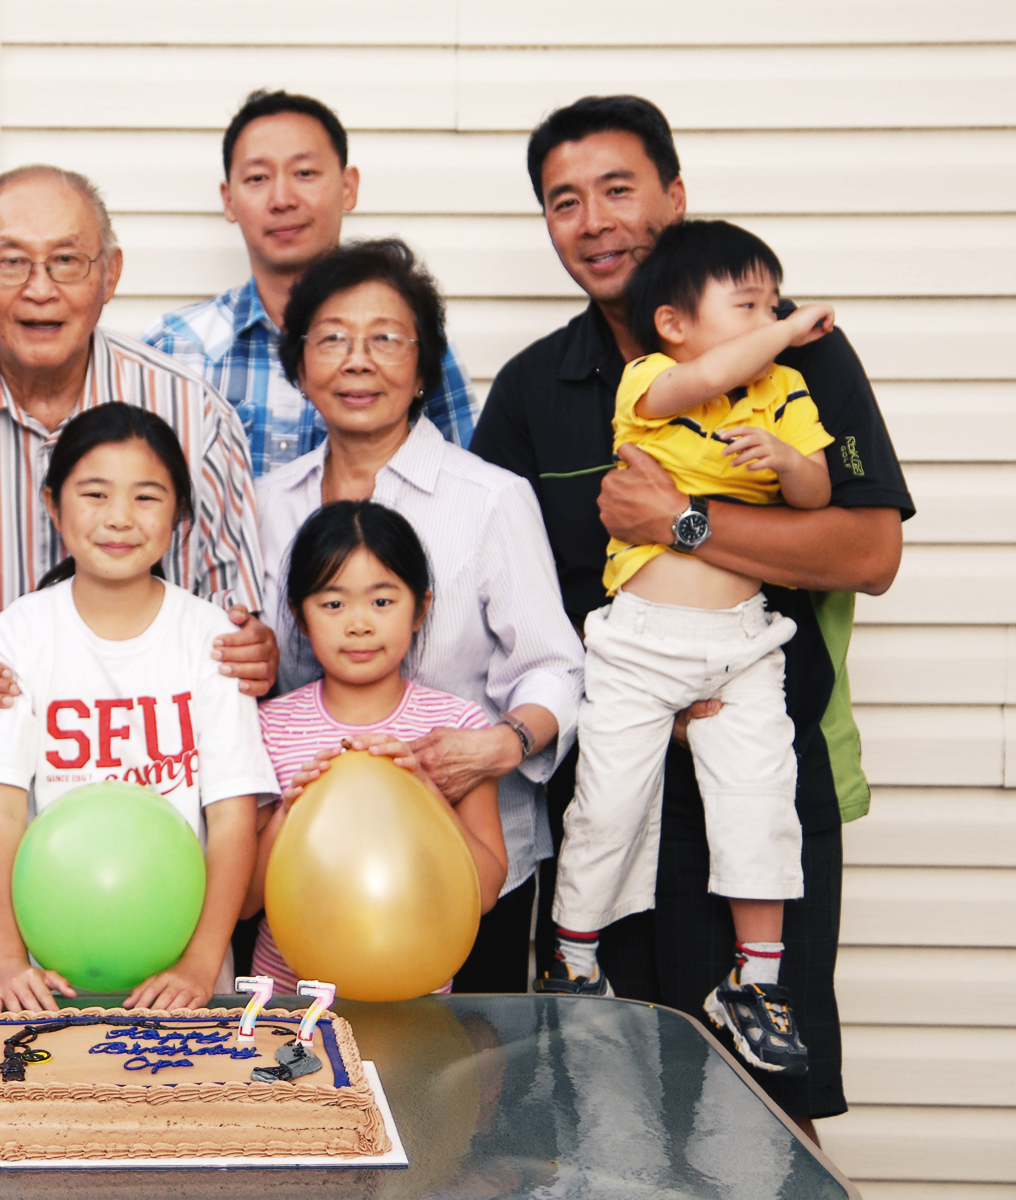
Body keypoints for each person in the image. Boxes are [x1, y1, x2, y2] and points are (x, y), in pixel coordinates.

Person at [470, 94, 911, 1131]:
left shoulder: (798, 351)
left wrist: (687, 526)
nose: (595, 220)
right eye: (564, 201)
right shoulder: (535, 388)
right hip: (608, 775)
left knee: (764, 1102)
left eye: (620, 188)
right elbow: (501, 605)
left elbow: (869, 551)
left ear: (674, 194)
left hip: (756, 759)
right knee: (599, 1100)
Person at [0, 165, 275, 995]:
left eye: (67, 261)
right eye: (11, 261)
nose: (40, 288)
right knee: (5, 1103)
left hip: (174, 899)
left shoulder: (190, 411)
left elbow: (239, 624)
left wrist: (254, 650)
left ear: (110, 274)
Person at [544, 219, 838, 1078]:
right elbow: (703, 380)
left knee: (760, 799)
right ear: (674, 322)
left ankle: (757, 982)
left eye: (774, 302)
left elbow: (817, 494)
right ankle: (575, 955)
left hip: (743, 646)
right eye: (746, 303)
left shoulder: (785, 391)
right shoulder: (654, 374)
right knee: (607, 805)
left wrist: (785, 457)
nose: (769, 316)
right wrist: (782, 330)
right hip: (640, 648)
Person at [255, 238, 582, 992]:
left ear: (425, 367)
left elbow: (554, 665)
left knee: (461, 1086)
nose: (358, 361)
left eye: (386, 339)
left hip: (464, 855)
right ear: (300, 369)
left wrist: (502, 746)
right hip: (310, 866)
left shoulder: (491, 498)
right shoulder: (268, 503)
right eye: (332, 339)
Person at [0, 90, 481, 472]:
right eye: (258, 177)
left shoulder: (404, 343)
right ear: (229, 200)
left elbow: (458, 486)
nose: (283, 198)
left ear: (349, 186)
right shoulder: (176, 346)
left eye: (306, 173)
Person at [0, 405, 278, 1011]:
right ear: (53, 505)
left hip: (184, 985)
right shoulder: (18, 636)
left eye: (147, 497)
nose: (119, 519)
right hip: (46, 982)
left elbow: (234, 821)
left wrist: (200, 966)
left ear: (180, 514)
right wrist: (4, 964)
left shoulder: (214, 640)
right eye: (95, 493)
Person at [246, 501, 508, 994]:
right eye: (333, 603)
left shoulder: (456, 727)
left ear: (421, 608)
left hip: (415, 999)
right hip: (286, 1003)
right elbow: (242, 903)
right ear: (300, 616)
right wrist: (289, 812)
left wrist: (427, 789)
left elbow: (488, 892)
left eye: (382, 602)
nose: (359, 624)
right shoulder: (268, 727)